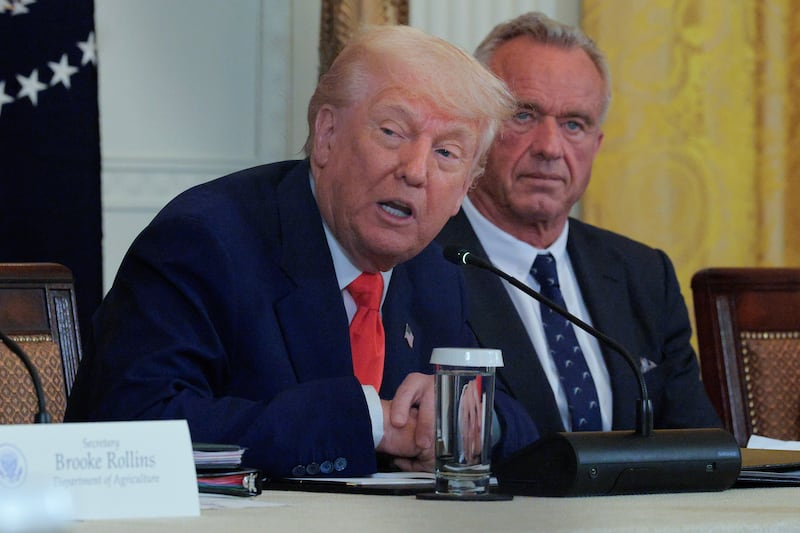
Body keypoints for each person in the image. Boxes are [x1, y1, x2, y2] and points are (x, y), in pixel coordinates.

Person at [65, 24, 538, 478]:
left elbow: (521, 424)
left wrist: (466, 421)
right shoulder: (206, 241)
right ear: (327, 134)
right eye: (392, 132)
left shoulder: (437, 274)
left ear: (464, 192)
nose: (415, 171)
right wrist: (370, 421)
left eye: (447, 153)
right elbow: (133, 421)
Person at [437, 12, 720, 437]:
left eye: (574, 124)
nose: (550, 147)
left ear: (596, 144)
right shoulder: (423, 264)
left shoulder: (643, 275)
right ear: (477, 128)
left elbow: (696, 444)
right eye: (524, 115)